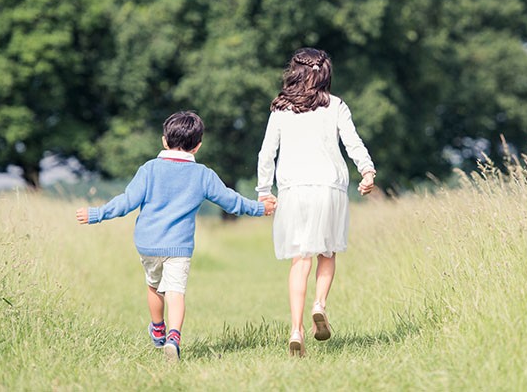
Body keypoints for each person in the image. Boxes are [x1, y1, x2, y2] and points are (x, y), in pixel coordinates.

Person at [76, 111, 276, 362]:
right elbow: (231, 202)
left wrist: (96, 214)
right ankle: (173, 338)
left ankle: (157, 329)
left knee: (153, 286)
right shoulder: (203, 175)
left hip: (148, 244)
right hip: (179, 246)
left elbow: (126, 202)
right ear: (198, 146)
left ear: (164, 140)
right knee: (176, 292)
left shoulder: (149, 169)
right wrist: (261, 208)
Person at [256, 48, 376, 357]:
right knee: (327, 251)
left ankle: (296, 329)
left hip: (294, 188)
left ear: (295, 72)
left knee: (301, 259)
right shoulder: (335, 106)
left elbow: (266, 153)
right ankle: (319, 305)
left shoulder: (280, 109)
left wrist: (263, 190)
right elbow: (353, 142)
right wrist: (367, 170)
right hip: (329, 186)